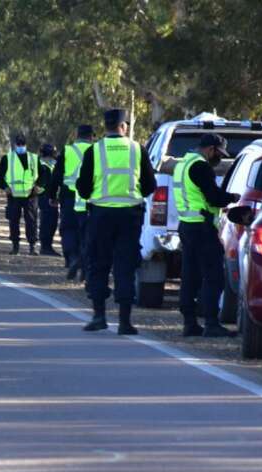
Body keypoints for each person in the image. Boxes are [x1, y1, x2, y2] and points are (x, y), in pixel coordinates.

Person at [76, 109, 156, 335]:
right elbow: (150, 186)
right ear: (125, 126)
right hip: (130, 217)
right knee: (125, 266)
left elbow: (82, 188)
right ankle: (124, 322)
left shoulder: (95, 150)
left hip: (100, 216)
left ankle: (99, 316)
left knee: (98, 265)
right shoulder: (137, 149)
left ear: (106, 126)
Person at [173, 133, 240, 337]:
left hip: (186, 226)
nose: (218, 158)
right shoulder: (201, 166)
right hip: (202, 228)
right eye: (218, 153)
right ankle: (211, 323)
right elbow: (214, 197)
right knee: (214, 277)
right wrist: (233, 197)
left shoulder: (183, 164)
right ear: (210, 149)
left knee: (190, 275)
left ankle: (189, 323)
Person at [49, 124, 95, 279]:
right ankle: (85, 264)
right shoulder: (96, 151)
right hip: (89, 197)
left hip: (68, 196)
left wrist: (52, 195)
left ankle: (72, 257)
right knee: (86, 232)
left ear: (77, 135)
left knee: (68, 229)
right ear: (91, 136)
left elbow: (56, 175)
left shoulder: (68, 151)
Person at [0, 134, 44, 255]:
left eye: (22, 144)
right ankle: (15, 246)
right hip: (13, 195)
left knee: (31, 221)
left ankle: (33, 247)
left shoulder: (34, 158)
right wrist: (5, 187)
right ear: (15, 145)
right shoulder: (8, 158)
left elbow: (43, 175)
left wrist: (39, 186)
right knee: (13, 220)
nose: (20, 146)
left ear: (26, 144)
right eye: (19, 144)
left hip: (30, 195)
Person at [37, 143, 61, 257]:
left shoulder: (40, 162)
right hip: (47, 196)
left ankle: (46, 246)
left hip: (47, 195)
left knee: (49, 221)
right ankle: (45, 247)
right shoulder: (49, 163)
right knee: (48, 221)